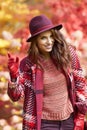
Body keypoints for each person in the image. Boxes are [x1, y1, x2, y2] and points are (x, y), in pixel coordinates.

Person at [7, 15, 87, 130]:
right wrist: (14, 77)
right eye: (43, 38)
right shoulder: (29, 64)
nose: (49, 42)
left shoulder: (68, 54)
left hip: (69, 120)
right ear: (35, 41)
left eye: (51, 36)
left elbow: (80, 85)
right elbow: (16, 96)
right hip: (43, 124)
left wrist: (80, 117)